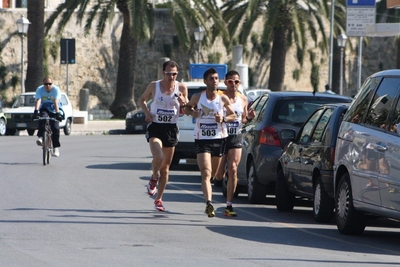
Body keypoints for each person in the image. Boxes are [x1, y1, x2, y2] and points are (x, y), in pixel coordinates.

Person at [184, 67, 236, 217]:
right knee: (206, 173)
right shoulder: (198, 97)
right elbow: (187, 108)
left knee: (216, 175)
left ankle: (214, 182)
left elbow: (233, 115)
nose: (214, 81)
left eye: (216, 78)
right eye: (211, 78)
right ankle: (209, 203)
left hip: (219, 139)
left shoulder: (223, 98)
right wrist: (192, 112)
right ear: (205, 81)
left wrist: (224, 119)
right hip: (202, 140)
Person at [139, 60, 188, 212]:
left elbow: (185, 110)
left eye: (174, 74)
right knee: (158, 158)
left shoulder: (181, 87)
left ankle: (159, 198)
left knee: (165, 169)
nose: (171, 77)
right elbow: (142, 100)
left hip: (171, 128)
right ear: (163, 73)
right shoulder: (154, 86)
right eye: (168, 74)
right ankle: (154, 177)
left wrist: (183, 102)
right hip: (156, 127)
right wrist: (147, 113)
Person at [213, 70, 256, 217]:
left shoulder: (242, 99)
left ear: (239, 83)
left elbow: (243, 119)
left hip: (235, 136)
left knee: (233, 168)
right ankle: (221, 174)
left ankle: (229, 205)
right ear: (225, 83)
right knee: (218, 175)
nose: (233, 84)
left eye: (236, 82)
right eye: (230, 81)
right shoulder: (219, 97)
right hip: (220, 137)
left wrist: (249, 118)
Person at [33, 77, 63, 157]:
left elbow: (56, 102)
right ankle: (41, 137)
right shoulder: (40, 89)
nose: (48, 86)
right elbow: (38, 100)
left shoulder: (56, 90)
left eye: (50, 84)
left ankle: (56, 148)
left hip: (54, 108)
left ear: (52, 84)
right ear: (43, 84)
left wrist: (57, 114)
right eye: (46, 84)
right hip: (45, 107)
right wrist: (36, 111)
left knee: (55, 128)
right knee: (42, 118)